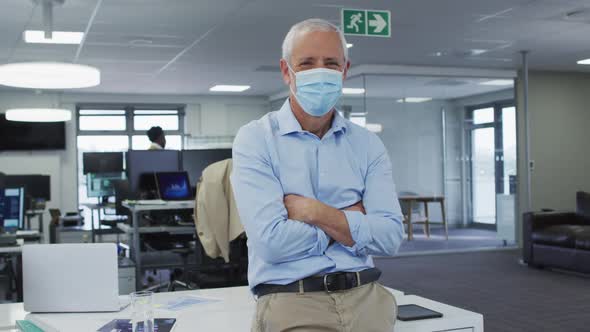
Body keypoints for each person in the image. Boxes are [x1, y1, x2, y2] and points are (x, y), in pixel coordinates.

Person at [231, 18, 404, 332]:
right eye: (307, 63)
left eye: (331, 63)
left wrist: (315, 213)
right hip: (293, 301)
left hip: (368, 299)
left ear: (344, 70)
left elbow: (390, 236)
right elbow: (271, 243)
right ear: (287, 71)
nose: (320, 72)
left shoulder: (367, 144)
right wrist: (347, 222)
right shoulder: (255, 139)